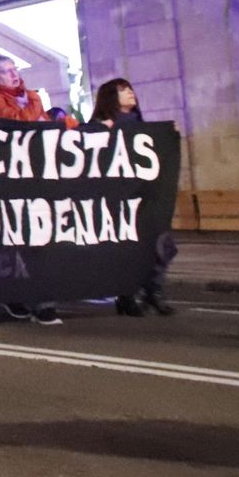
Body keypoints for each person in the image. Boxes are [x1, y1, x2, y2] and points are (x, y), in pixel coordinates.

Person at [0, 55, 67, 325]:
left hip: (37, 177)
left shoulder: (27, 97)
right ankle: (29, 299)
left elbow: (45, 125)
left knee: (42, 240)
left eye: (14, 68)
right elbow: (20, 124)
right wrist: (36, 101)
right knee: (25, 241)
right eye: (6, 71)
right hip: (11, 181)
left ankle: (41, 299)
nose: (13, 74)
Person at [91, 78, 176, 316]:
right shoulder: (100, 125)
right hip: (118, 198)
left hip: (146, 195)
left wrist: (168, 138)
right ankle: (128, 295)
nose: (130, 93)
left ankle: (153, 291)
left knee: (163, 245)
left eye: (129, 89)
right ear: (110, 97)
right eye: (122, 90)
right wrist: (99, 131)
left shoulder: (140, 124)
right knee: (128, 248)